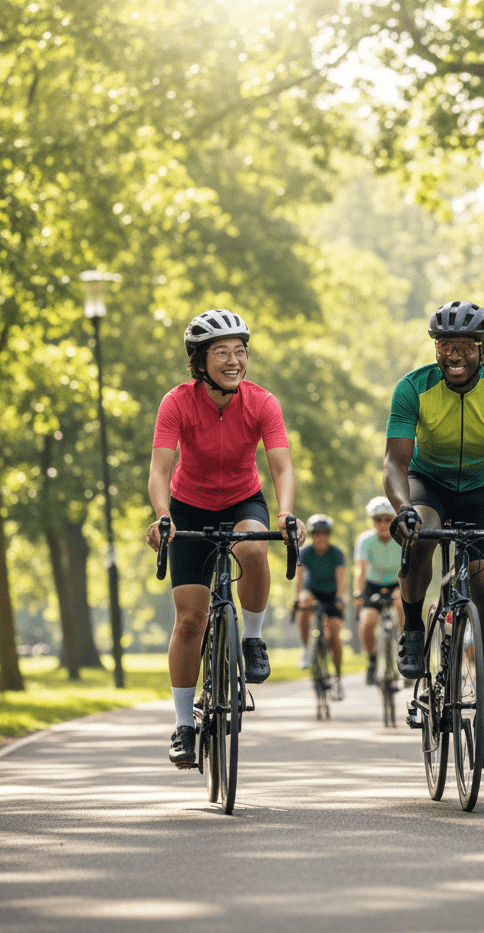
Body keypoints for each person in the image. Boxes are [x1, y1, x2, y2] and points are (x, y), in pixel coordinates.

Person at [383, 300, 484, 770]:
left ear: (483, 349)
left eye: (465, 346)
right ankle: (414, 628)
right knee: (424, 532)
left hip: (481, 490)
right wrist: (403, 509)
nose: (454, 354)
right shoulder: (413, 388)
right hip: (426, 483)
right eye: (445, 344)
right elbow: (394, 462)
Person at [147, 308, 305, 769]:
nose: (234, 360)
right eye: (222, 352)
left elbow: (281, 465)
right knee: (190, 621)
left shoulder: (261, 402)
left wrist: (286, 512)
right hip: (189, 506)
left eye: (240, 352)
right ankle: (182, 725)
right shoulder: (176, 402)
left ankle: (252, 639)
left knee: (254, 546)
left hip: (242, 501)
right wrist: (163, 516)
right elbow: (159, 469)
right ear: (199, 362)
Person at [293, 514, 347, 700]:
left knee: (334, 634)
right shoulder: (305, 552)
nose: (321, 537)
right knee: (303, 602)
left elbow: (342, 579)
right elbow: (299, 580)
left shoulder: (337, 553)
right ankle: (306, 648)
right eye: (317, 533)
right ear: (312, 535)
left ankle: (338, 678)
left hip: (332, 595)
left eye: (325, 533)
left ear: (329, 534)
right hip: (312, 592)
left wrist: (341, 598)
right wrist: (295, 600)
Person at [353, 496, 404, 686]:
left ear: (394, 519)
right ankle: (372, 660)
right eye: (378, 519)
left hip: (397, 583)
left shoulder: (402, 537)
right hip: (372, 584)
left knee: (400, 603)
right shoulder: (365, 540)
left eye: (388, 519)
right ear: (373, 521)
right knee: (367, 622)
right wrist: (358, 592)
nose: (383, 524)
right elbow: (360, 570)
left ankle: (404, 644)